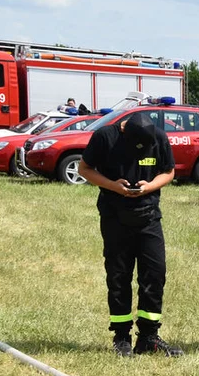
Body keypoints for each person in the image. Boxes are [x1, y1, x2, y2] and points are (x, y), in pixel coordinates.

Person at [78, 112, 182, 357]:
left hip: (149, 217)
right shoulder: (105, 136)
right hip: (115, 217)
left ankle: (148, 337)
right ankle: (122, 337)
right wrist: (114, 186)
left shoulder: (158, 137)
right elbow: (84, 168)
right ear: (124, 131)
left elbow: (169, 172)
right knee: (118, 275)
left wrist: (149, 186)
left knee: (155, 274)